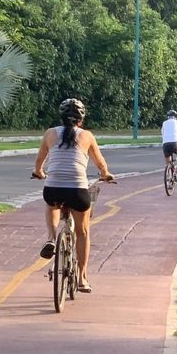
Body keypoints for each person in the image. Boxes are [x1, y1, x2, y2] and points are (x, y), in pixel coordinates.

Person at [32, 98, 114, 293]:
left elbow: (39, 161)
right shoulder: (87, 136)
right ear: (81, 120)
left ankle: (52, 237)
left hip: (53, 188)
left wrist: (39, 173)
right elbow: (101, 164)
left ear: (61, 117)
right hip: (77, 190)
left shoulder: (50, 133)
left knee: (51, 204)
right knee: (83, 232)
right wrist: (106, 175)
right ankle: (82, 278)